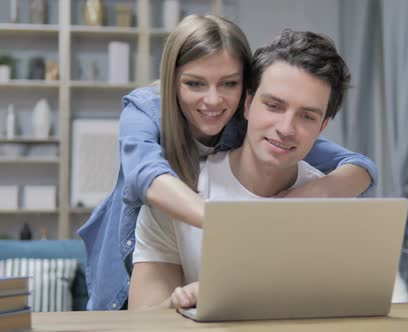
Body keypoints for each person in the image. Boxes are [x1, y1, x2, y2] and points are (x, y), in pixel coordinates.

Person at [78, 15, 378, 311]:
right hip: (125, 265)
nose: (213, 100)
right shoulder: (147, 112)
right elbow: (145, 175)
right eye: (195, 83)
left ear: (243, 93)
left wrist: (304, 200)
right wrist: (232, 225)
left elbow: (359, 165)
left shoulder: (249, 123)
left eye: (228, 84)